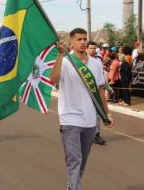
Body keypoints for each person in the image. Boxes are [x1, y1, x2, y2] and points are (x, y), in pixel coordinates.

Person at [50, 28, 114, 190]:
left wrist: (107, 113)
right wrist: (59, 55)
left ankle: (72, 186)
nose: (83, 42)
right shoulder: (64, 61)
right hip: (69, 118)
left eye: (85, 39)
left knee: (82, 160)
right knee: (74, 159)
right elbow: (53, 79)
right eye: (79, 39)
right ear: (71, 42)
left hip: (90, 120)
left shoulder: (96, 63)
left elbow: (100, 90)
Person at [86, 41, 107, 146]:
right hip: (84, 92)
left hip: (96, 91)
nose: (93, 50)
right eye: (91, 48)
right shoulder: (81, 62)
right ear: (86, 49)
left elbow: (100, 76)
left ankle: (96, 134)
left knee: (97, 113)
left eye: (94, 48)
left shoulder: (98, 60)